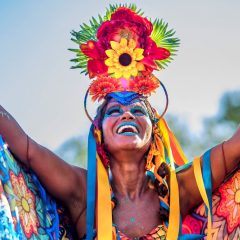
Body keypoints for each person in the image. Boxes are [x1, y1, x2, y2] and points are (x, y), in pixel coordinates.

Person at [0, 5, 239, 240]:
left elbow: (233, 149)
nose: (127, 115)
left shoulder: (178, 189)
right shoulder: (84, 192)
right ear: (99, 132)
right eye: (115, 111)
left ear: (154, 130)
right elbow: (27, 149)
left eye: (137, 109)